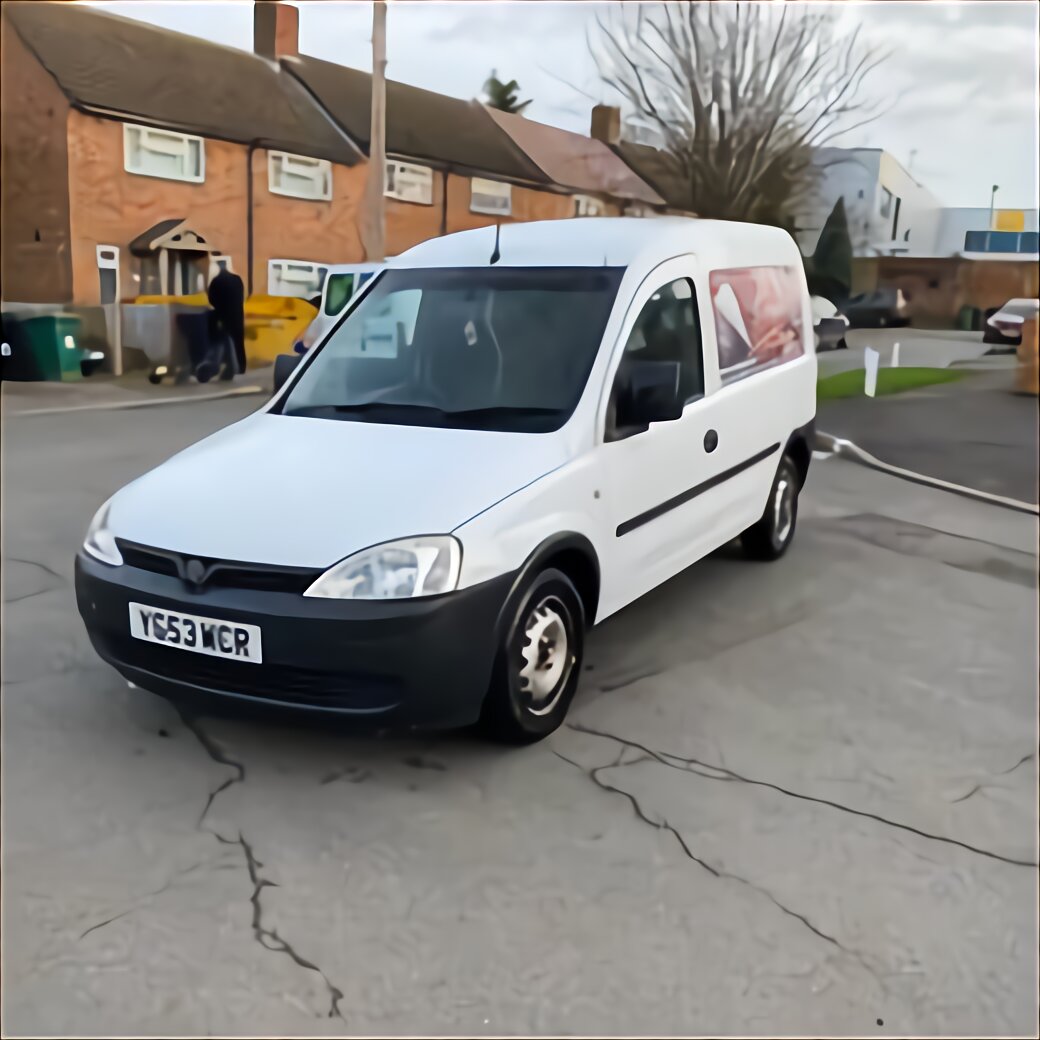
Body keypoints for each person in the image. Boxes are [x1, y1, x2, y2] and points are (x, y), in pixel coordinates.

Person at [206, 259, 246, 379]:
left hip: (224, 316)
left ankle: (228, 367)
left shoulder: (216, 281)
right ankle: (241, 367)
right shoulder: (236, 279)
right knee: (239, 342)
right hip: (237, 315)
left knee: (226, 342)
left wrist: (218, 309)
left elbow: (211, 299)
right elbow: (241, 296)